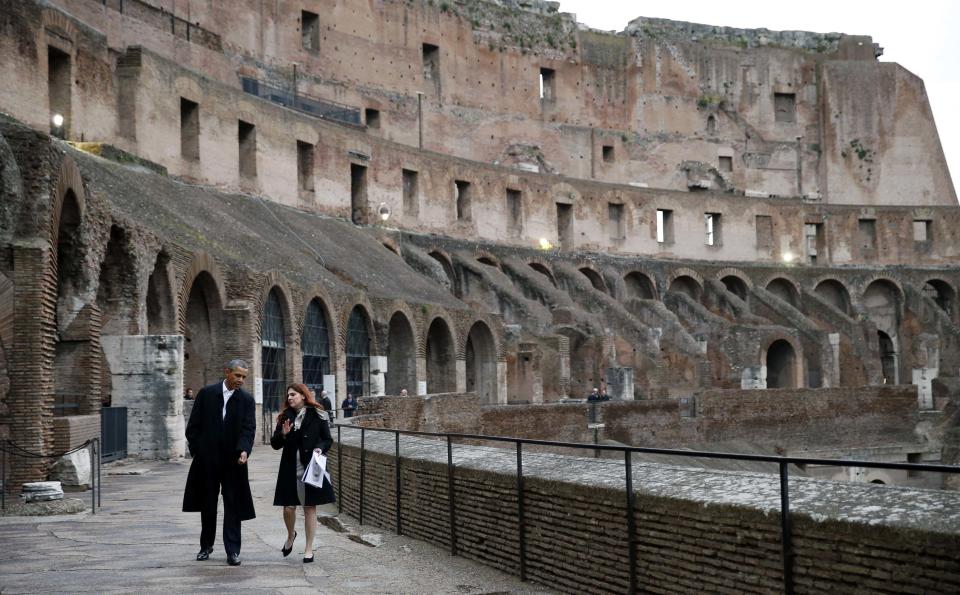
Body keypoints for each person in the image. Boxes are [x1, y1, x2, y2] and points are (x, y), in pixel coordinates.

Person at [182, 359, 257, 566]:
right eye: (237, 375)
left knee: (233, 505)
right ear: (227, 372)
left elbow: (248, 429)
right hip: (207, 461)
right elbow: (193, 427)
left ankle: (233, 551)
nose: (240, 380)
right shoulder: (207, 394)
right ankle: (206, 546)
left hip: (234, 462)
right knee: (208, 504)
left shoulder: (247, 400)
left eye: (244, 377)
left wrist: (244, 449)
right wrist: (199, 451)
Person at [271, 383, 335, 563]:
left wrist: (319, 449)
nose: (289, 398)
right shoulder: (285, 416)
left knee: (309, 507)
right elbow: (275, 444)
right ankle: (291, 534)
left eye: (293, 394)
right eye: (288, 395)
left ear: (303, 396)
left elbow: (327, 439)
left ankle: (309, 548)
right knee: (288, 508)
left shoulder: (318, 414)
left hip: (311, 466)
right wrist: (283, 434)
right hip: (290, 467)